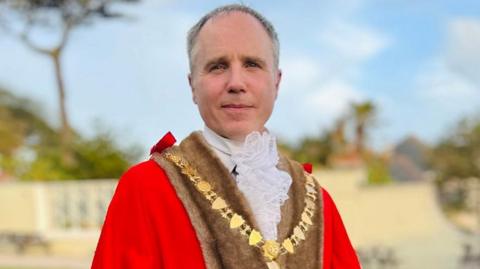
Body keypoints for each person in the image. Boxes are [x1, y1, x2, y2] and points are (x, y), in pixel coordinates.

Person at [91, 4, 360, 269]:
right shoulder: (145, 189)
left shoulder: (316, 200)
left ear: (276, 83)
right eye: (218, 66)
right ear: (193, 85)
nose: (236, 83)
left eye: (252, 64)